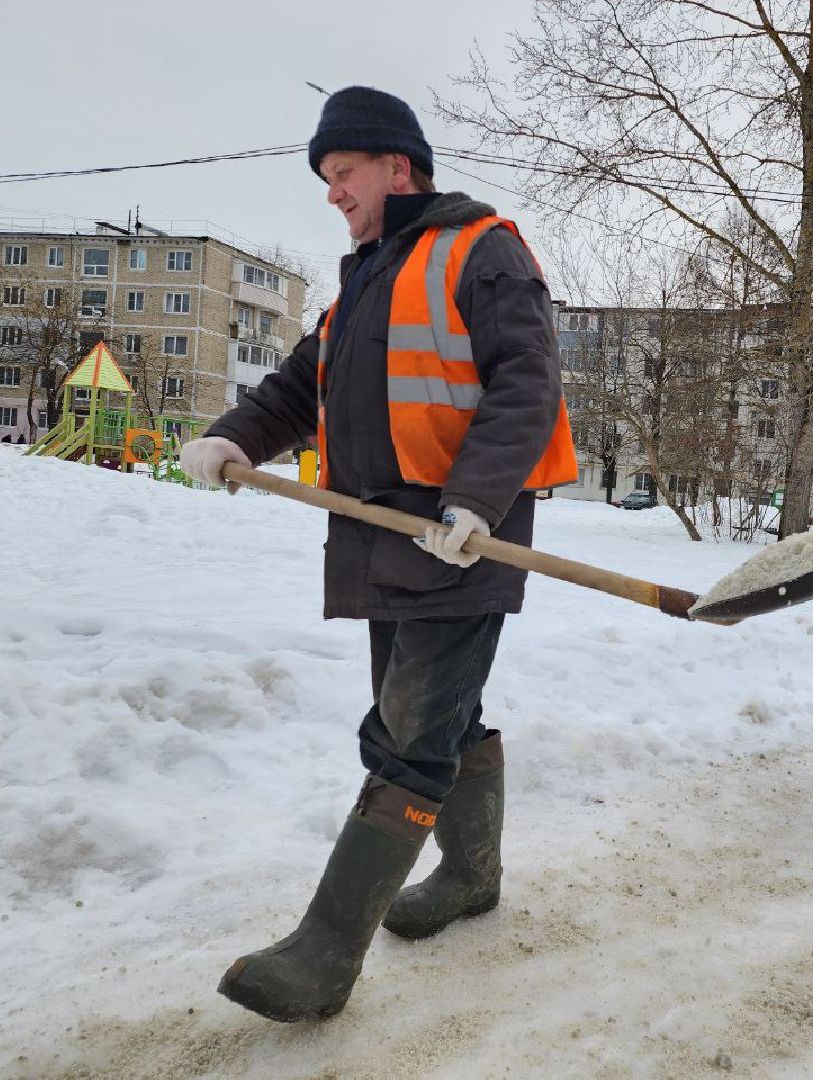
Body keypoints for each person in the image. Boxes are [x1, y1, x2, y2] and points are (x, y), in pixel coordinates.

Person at [179, 86, 576, 1022]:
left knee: (407, 737)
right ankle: (472, 880)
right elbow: (296, 386)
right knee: (435, 715)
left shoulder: (482, 251)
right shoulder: (365, 277)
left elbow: (529, 377)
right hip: (384, 537)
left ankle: (324, 955)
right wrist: (236, 435)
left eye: (342, 172)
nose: (332, 193)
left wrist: (477, 502)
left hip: (462, 535)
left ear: (397, 167)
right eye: (327, 178)